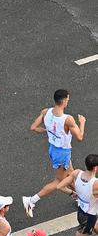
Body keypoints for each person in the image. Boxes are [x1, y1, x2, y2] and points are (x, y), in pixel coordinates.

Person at [23, 88, 86, 218]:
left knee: (71, 176)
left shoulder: (46, 112)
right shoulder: (68, 119)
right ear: (64, 101)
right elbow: (80, 137)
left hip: (53, 149)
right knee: (60, 181)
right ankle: (32, 200)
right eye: (68, 100)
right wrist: (82, 123)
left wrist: (47, 131)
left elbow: (33, 127)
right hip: (63, 153)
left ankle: (81, 199)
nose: (68, 101)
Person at [54, 153, 98, 236]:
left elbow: (59, 186)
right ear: (95, 168)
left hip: (81, 213)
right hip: (89, 219)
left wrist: (72, 193)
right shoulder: (95, 184)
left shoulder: (77, 173)